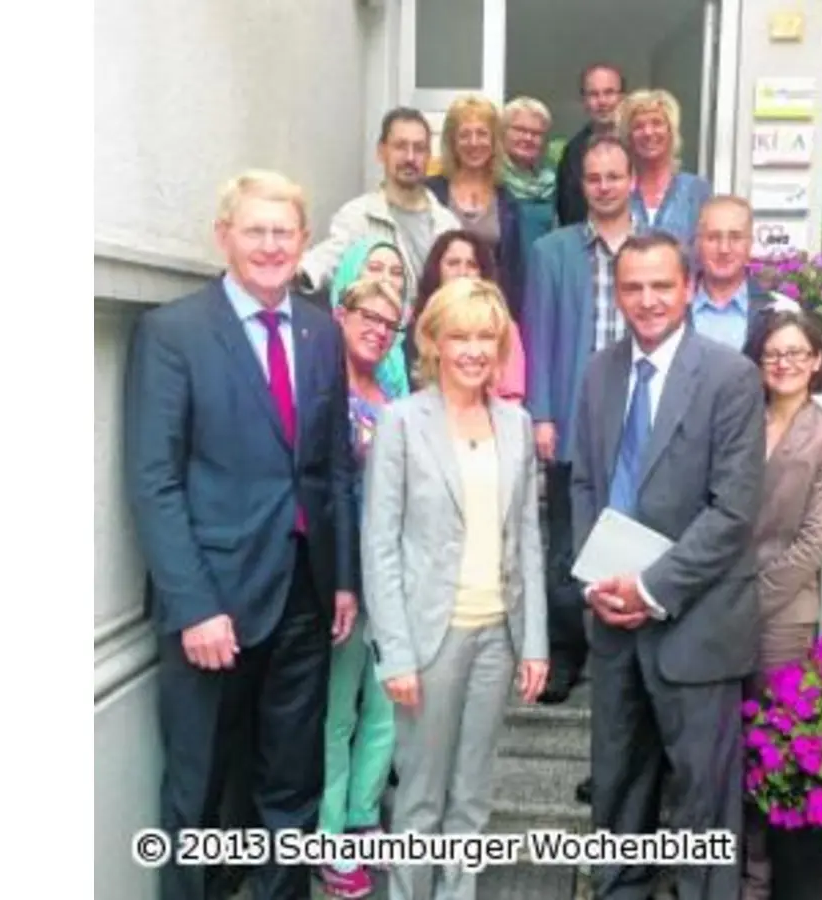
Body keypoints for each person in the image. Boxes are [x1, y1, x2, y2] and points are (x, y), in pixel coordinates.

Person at [123, 170, 359, 900]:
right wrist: (193, 606)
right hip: (213, 605)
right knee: (199, 797)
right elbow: (153, 481)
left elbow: (333, 469)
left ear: (304, 240)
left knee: (291, 787)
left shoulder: (321, 332)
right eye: (254, 231)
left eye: (283, 232)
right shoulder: (173, 333)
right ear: (223, 236)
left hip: (303, 596)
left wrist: (343, 576)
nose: (269, 246)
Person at [570, 232, 765, 900]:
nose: (647, 300)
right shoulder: (598, 373)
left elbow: (733, 511)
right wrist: (594, 579)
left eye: (660, 285)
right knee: (618, 790)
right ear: (617, 294)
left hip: (696, 626)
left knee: (701, 807)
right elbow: (583, 486)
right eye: (632, 287)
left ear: (687, 288)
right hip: (612, 624)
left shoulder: (732, 377)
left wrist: (651, 586)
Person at [364, 277, 551, 900]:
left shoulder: (517, 424)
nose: (473, 349)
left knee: (472, 794)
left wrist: (535, 644)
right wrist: (394, 651)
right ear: (434, 342)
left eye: (485, 337)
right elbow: (380, 545)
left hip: (497, 633)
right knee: (419, 796)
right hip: (428, 639)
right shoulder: (401, 422)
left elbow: (527, 536)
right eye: (461, 335)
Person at [737, 305, 822, 900]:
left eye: (796, 353)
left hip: (780, 617)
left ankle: (757, 881)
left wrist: (748, 604)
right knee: (716, 749)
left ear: (816, 362)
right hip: (718, 604)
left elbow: (815, 542)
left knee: (763, 747)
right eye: (773, 353)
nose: (783, 363)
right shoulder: (738, 421)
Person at [523, 134, 641, 704]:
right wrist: (541, 414)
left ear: (632, 180)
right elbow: (537, 338)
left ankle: (626, 652)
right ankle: (567, 653)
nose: (603, 187)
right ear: (582, 185)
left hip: (640, 422)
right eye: (593, 178)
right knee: (567, 547)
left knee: (637, 539)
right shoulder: (552, 252)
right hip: (571, 420)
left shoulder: (656, 250)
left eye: (614, 176)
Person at [311, 276, 406, 900]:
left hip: (393, 578)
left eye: (388, 323)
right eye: (366, 315)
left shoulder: (394, 398)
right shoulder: (321, 390)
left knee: (385, 710)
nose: (376, 328)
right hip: (343, 577)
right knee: (337, 712)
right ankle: (328, 833)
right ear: (341, 315)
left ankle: (364, 815)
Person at [300, 108, 461, 310]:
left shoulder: (448, 224)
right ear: (381, 151)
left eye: (419, 148)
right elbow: (328, 259)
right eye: (400, 146)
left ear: (429, 155)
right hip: (381, 334)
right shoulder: (357, 216)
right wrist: (299, 273)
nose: (410, 157)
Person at [424, 94, 527, 322]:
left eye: (481, 134)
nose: (473, 142)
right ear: (452, 142)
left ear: (494, 141)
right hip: (439, 315)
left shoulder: (508, 201)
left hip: (489, 317)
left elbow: (515, 275)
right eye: (464, 135)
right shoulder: (430, 193)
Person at [405, 230, 528, 404]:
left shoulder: (503, 325)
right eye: (453, 263)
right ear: (436, 269)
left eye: (472, 265)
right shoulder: (416, 321)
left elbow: (511, 395)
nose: (462, 271)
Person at [618, 89, 710, 255]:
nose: (648, 132)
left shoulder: (696, 190)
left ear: (671, 132)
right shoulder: (618, 190)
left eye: (657, 123)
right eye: (638, 126)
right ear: (628, 137)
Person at [690, 196, 785, 351]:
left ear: (750, 245)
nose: (724, 249)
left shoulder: (777, 310)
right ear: (698, 243)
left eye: (735, 237)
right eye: (713, 237)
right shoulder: (674, 309)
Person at [330, 238, 413, 409]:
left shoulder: (397, 358)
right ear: (341, 315)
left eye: (396, 272)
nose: (386, 278)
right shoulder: (317, 360)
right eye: (370, 317)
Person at [554, 62, 625, 227]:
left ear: (622, 97)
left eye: (609, 93)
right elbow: (568, 213)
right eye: (593, 94)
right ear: (584, 101)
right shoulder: (573, 153)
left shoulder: (638, 145)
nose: (602, 101)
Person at [500, 96, 559, 263]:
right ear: (503, 132)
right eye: (520, 130)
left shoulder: (552, 181)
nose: (528, 138)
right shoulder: (492, 178)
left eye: (536, 133)